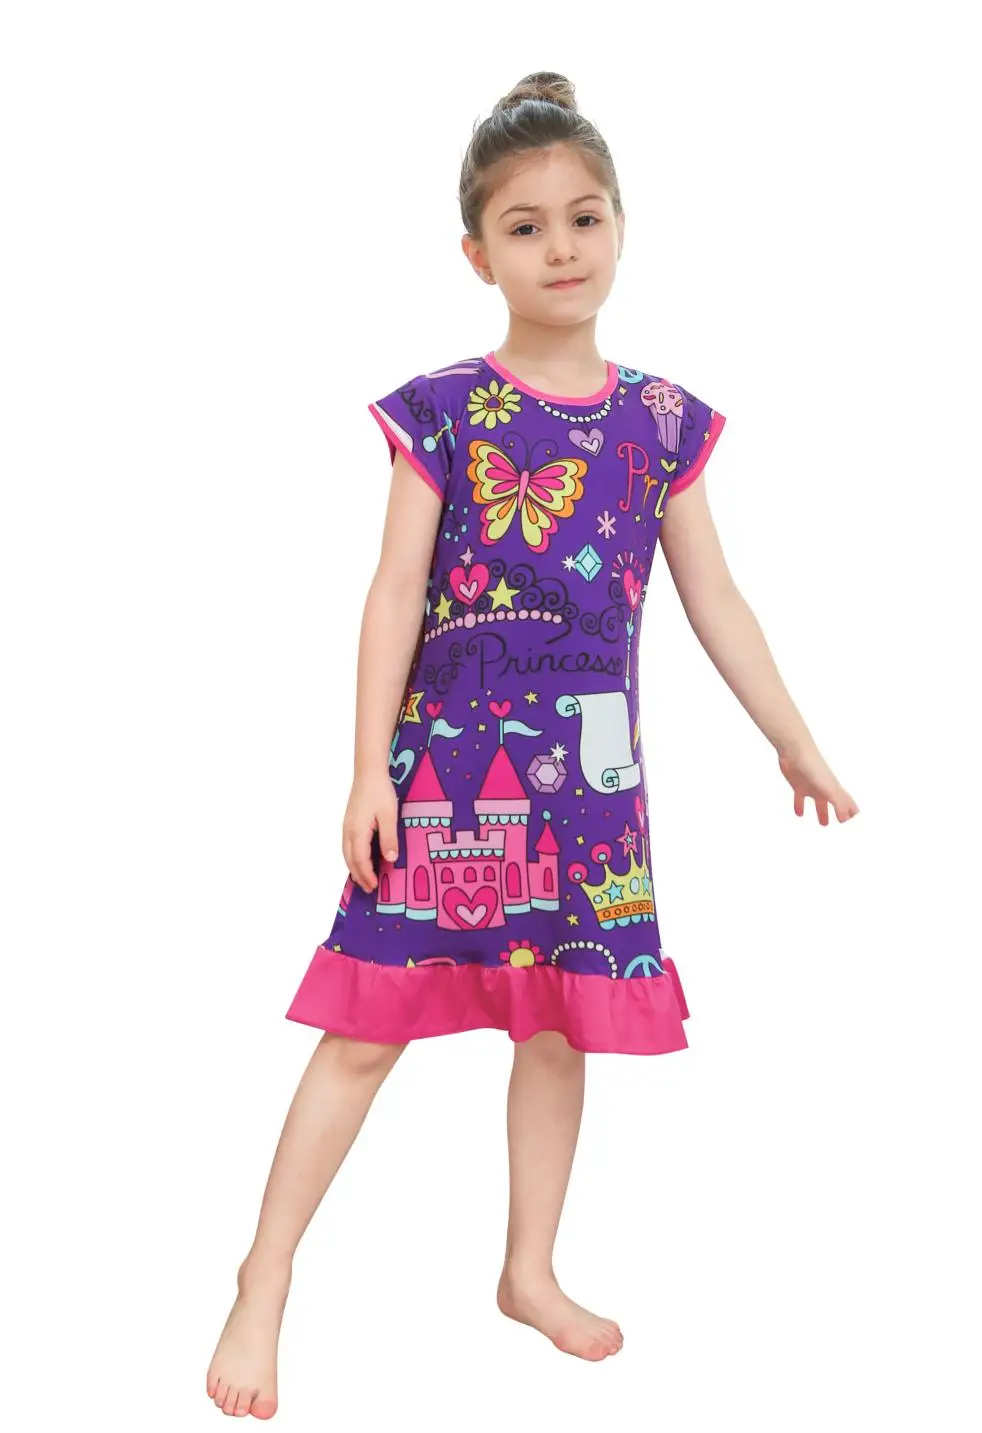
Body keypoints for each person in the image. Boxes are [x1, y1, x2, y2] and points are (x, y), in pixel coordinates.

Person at [206, 70, 859, 1420]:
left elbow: (716, 600)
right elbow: (394, 591)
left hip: (591, 788)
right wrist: (367, 768)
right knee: (363, 1026)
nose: (561, 248)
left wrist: (792, 739)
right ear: (477, 254)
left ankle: (529, 1269)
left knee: (557, 1023)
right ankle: (264, 1275)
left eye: (584, 217)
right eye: (525, 226)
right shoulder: (444, 412)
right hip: (448, 774)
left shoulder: (663, 424)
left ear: (621, 226)